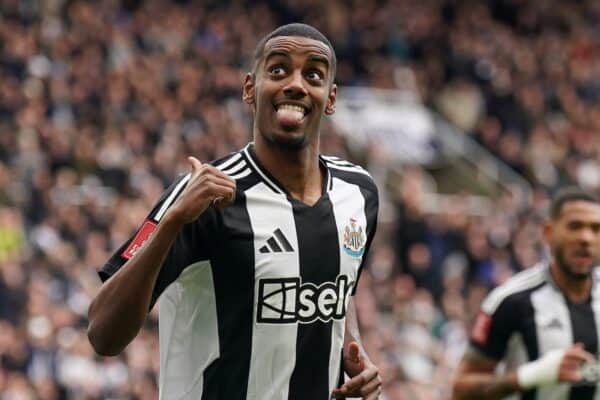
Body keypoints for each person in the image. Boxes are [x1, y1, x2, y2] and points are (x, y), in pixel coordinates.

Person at [87, 23, 382, 400]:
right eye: (278, 70)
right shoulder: (202, 195)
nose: (295, 84)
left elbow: (340, 287)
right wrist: (173, 222)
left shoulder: (359, 192)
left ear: (331, 98)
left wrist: (353, 350)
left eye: (313, 74)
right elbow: (102, 334)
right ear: (250, 89)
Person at [452, 187, 600, 400]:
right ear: (548, 232)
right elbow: (461, 390)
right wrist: (529, 375)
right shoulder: (512, 300)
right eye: (574, 226)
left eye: (596, 229)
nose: (586, 238)